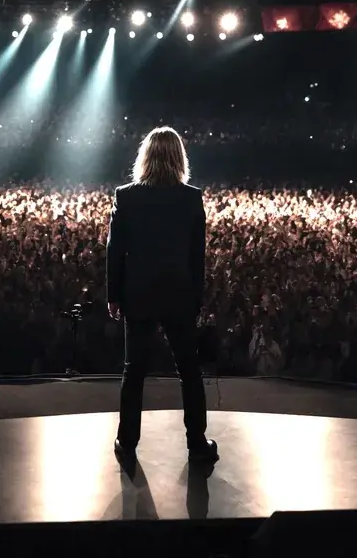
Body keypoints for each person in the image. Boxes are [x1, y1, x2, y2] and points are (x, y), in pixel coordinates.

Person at [106, 126, 218, 463]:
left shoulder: (126, 195)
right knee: (189, 371)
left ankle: (127, 442)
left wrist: (114, 295)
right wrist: (197, 297)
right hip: (179, 294)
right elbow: (197, 255)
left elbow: (115, 251)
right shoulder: (190, 197)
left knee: (133, 372)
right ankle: (196, 443)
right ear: (179, 158)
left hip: (138, 294)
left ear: (145, 157)